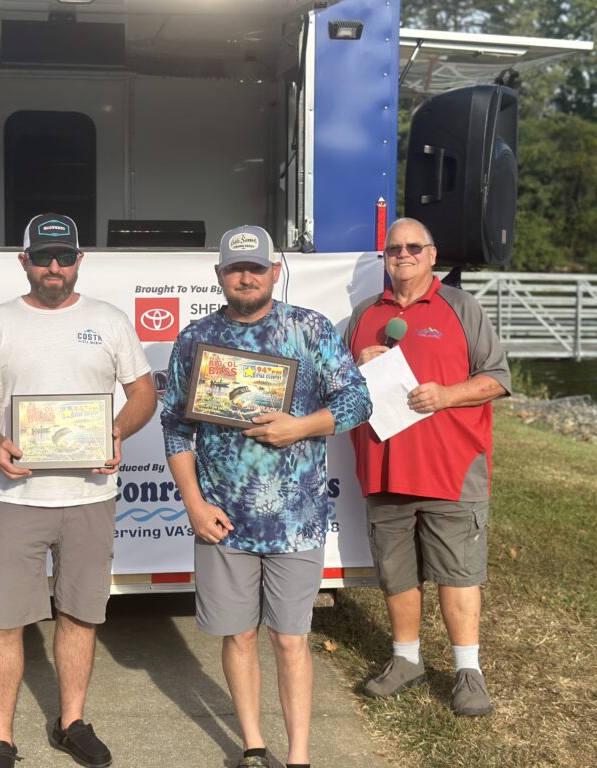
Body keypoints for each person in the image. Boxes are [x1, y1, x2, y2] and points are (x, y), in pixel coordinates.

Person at [0, 213, 156, 768]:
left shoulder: (109, 321)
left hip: (91, 496)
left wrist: (117, 430)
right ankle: (0, 740)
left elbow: (143, 392)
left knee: (80, 615)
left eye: (65, 257)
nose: (55, 268)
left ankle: (71, 722)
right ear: (25, 261)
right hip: (18, 499)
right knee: (3, 623)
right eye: (43, 258)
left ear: (79, 260)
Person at [161, 225, 372, 768]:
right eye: (235, 268)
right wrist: (193, 504)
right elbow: (175, 427)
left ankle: (298, 756)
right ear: (219, 275)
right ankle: (253, 746)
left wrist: (299, 427)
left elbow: (357, 400)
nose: (246, 277)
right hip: (222, 520)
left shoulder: (309, 328)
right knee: (237, 637)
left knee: (290, 640)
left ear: (274, 272)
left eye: (255, 267)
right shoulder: (196, 338)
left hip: (296, 521)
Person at [345, 216, 511, 716]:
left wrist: (446, 396)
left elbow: (497, 378)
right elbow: (336, 389)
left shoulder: (461, 308)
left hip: (451, 470)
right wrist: (356, 365)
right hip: (384, 469)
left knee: (458, 573)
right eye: (394, 249)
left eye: (414, 247)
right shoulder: (364, 315)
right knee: (396, 572)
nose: (403, 255)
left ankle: (468, 672)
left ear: (432, 255)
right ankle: (406, 660)